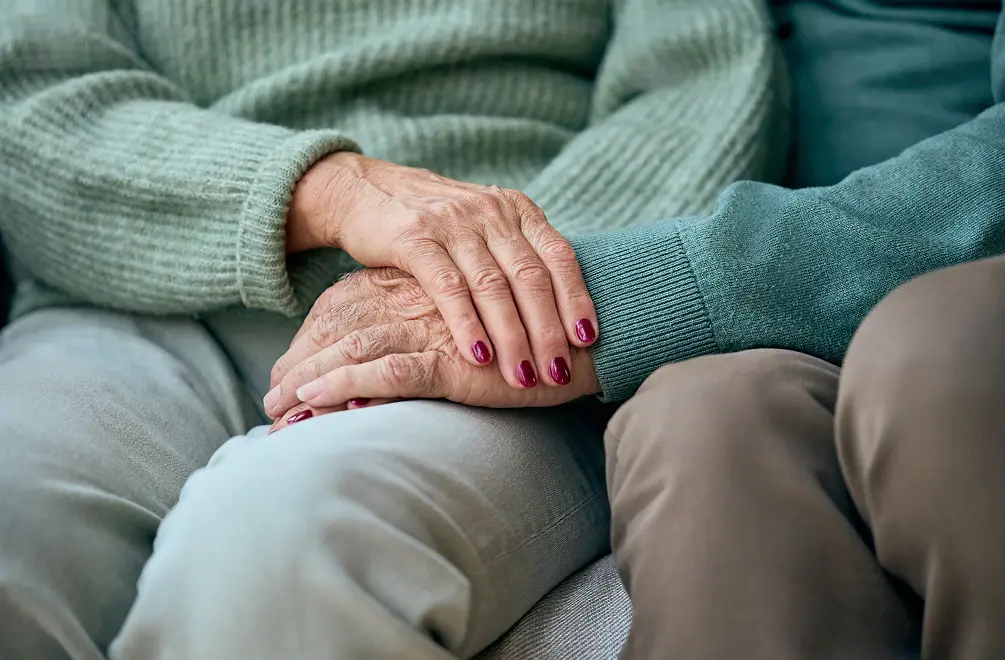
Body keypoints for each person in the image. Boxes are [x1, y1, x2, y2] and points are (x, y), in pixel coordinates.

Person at [0, 0, 785, 658]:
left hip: (508, 342)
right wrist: (329, 194)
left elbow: (702, 82)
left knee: (283, 539)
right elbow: (27, 99)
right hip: (132, 307)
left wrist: (493, 285)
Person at [260, 0, 1005, 658]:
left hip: (942, 283)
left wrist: (612, 291)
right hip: (776, 329)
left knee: (935, 351)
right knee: (702, 417)